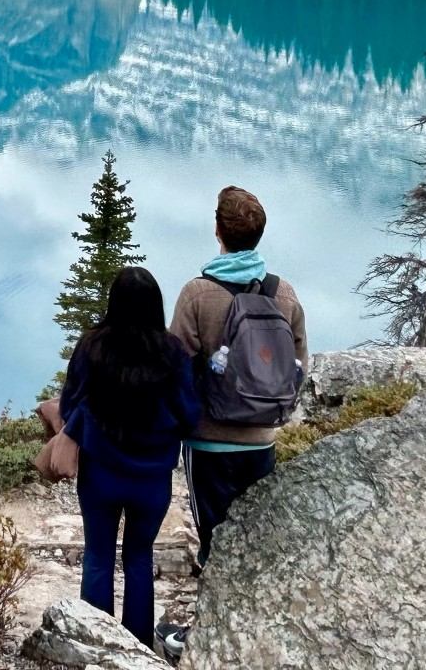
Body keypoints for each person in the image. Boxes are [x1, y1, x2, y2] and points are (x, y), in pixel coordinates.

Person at [58, 266, 200, 650]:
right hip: (151, 480)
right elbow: (189, 415)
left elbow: (70, 404)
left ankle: (95, 645)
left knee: (98, 556)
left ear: (113, 304)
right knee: (138, 558)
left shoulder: (92, 346)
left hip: (100, 473)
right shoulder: (172, 353)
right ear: (156, 306)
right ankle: (136, 649)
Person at [169, 185, 309, 571]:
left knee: (214, 543)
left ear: (218, 230)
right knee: (254, 542)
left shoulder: (197, 293)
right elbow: (301, 366)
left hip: (209, 443)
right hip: (262, 440)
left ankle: (208, 628)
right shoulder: (284, 294)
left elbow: (175, 366)